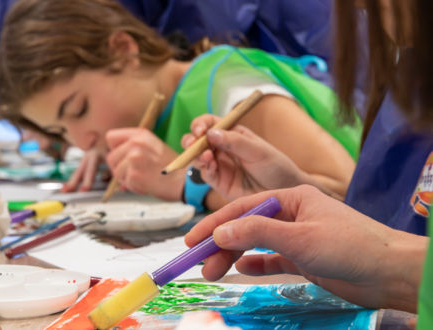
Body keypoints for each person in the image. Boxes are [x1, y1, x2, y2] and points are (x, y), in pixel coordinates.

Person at [183, 0, 432, 323]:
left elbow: (395, 248)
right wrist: (298, 195)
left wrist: (389, 261)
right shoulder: (412, 66)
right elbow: (400, 224)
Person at [0, 0, 361, 211]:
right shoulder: (153, 115)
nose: (81, 140)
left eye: (77, 110)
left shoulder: (225, 84)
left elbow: (350, 199)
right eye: (60, 132)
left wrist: (186, 188)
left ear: (123, 49)